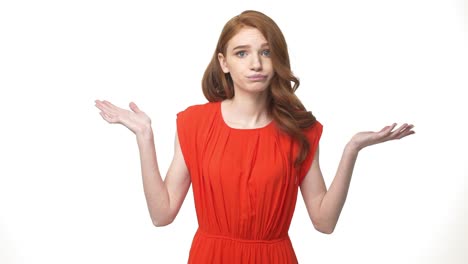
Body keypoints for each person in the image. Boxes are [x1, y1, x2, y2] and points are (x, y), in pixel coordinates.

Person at [94, 10, 415, 264]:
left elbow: (324, 222)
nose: (257, 63)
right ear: (224, 62)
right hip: (210, 258)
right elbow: (162, 214)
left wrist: (351, 151)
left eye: (265, 51)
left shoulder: (300, 131)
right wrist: (144, 136)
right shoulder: (194, 124)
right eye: (242, 53)